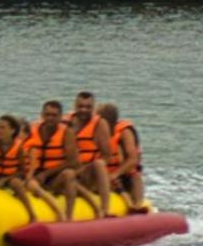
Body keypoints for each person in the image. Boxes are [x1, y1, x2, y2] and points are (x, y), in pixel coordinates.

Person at [0, 114, 50, 223]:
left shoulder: (18, 147)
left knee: (17, 184)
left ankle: (32, 215)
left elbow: (22, 171)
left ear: (12, 130)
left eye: (3, 127)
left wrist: (4, 180)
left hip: (11, 177)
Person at [28, 100, 81, 219]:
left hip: (55, 178)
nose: (50, 118)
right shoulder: (32, 130)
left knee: (69, 174)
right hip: (34, 175)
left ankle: (68, 215)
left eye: (54, 115)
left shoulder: (67, 133)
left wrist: (46, 174)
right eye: (47, 115)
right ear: (42, 115)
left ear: (60, 117)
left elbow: (73, 162)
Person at [66, 90, 114, 220]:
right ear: (75, 106)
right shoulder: (66, 121)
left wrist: (84, 169)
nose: (84, 110)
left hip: (88, 173)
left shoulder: (100, 124)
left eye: (88, 107)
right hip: (68, 170)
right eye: (80, 106)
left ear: (93, 108)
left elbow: (106, 155)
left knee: (99, 164)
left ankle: (105, 208)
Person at [100, 101, 147, 213]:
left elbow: (133, 159)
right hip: (102, 176)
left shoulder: (124, 132)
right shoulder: (96, 132)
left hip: (121, 174)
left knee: (135, 175)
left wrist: (115, 174)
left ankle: (137, 205)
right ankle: (128, 205)